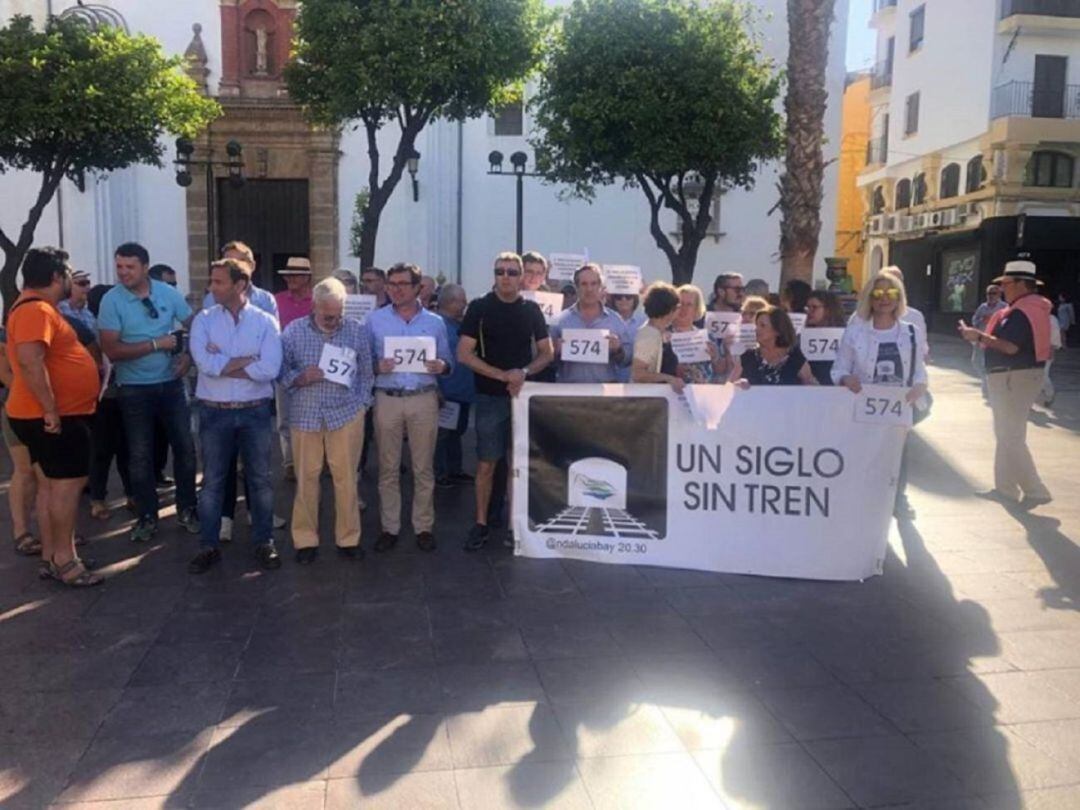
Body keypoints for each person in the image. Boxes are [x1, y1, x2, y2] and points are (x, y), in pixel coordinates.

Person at [5, 247, 102, 586]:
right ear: (56, 277)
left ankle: (53, 554)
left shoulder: (33, 307)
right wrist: (50, 409)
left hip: (46, 414)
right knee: (66, 488)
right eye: (67, 275)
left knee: (50, 487)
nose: (70, 281)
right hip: (54, 416)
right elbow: (31, 361)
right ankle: (65, 560)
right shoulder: (35, 310)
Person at [98, 242, 198, 543]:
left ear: (144, 267)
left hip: (170, 384)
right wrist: (157, 344)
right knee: (139, 455)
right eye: (119, 267)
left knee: (185, 448)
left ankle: (187, 510)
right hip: (134, 389)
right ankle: (146, 516)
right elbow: (111, 349)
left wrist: (188, 355)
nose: (123, 272)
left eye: (129, 267)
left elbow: (197, 325)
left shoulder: (167, 293)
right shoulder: (111, 301)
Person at [188, 259, 283, 574]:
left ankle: (264, 541)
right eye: (211, 281)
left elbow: (269, 369)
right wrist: (246, 361)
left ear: (240, 285)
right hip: (214, 412)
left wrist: (223, 360)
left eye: (218, 282)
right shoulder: (203, 320)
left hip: (255, 411)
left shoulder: (266, 322)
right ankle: (208, 545)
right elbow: (205, 365)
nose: (212, 287)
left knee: (260, 480)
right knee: (213, 482)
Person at [458, 252, 553, 550]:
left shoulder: (531, 310)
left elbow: (546, 352)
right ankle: (481, 523)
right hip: (489, 397)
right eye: (501, 271)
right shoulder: (479, 308)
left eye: (512, 272)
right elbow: (464, 353)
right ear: (494, 274)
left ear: (522, 275)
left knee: (516, 465)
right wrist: (502, 376)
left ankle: (514, 524)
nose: (506, 277)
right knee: (487, 463)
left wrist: (522, 373)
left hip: (522, 397)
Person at [281, 277, 374, 563]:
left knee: (346, 479)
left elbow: (366, 373)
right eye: (327, 315)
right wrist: (298, 377)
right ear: (315, 306)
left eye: (338, 314)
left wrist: (362, 406)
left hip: (345, 414)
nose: (333, 320)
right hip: (306, 415)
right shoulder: (293, 332)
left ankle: (348, 539)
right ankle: (305, 540)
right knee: (306, 478)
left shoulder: (356, 332)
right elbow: (279, 371)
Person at [367, 263, 453, 553]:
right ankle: (390, 527)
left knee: (423, 467)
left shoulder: (435, 322)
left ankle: (423, 526)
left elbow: (447, 361)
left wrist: (442, 366)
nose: (396, 289)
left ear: (418, 288)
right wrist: (374, 366)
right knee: (388, 468)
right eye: (391, 284)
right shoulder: (374, 321)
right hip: (387, 398)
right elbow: (361, 362)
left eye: (402, 284)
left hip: (423, 397)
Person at [834, 269, 929, 520]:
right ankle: (862, 500)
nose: (884, 298)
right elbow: (839, 368)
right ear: (869, 297)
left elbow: (919, 369)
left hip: (899, 406)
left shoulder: (911, 332)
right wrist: (846, 378)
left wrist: (921, 385)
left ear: (899, 298)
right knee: (865, 455)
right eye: (878, 293)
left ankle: (898, 500)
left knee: (898, 456)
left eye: (891, 293)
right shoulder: (855, 331)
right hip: (863, 407)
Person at [958, 259, 1053, 508]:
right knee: (1007, 435)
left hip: (1014, 376)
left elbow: (1010, 346)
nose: (1002, 289)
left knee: (1009, 437)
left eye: (1006, 284)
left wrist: (978, 336)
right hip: (1015, 376)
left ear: (1022, 284)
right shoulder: (1029, 308)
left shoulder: (1022, 311)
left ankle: (1035, 489)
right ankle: (1005, 489)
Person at [206, 242, 285, 540]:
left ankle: (258, 515)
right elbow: (206, 353)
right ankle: (224, 517)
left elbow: (270, 356)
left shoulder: (266, 301)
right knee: (221, 466)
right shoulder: (209, 304)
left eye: (238, 261)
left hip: (254, 400)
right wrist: (248, 357)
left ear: (249, 268)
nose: (232, 264)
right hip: (219, 400)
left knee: (258, 467)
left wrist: (224, 359)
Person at [85, 283, 132, 519]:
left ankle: (131, 493)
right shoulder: (95, 329)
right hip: (105, 396)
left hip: (125, 392)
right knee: (103, 449)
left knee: (126, 448)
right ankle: (98, 498)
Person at [0, 325, 47, 558]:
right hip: (18, 409)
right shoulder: (7, 334)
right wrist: (39, 393)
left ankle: (52, 533)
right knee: (25, 471)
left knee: (47, 474)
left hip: (45, 409)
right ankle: (22, 532)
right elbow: (6, 375)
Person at [549, 264, 632, 384]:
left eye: (594, 284)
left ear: (600, 286)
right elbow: (548, 362)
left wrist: (618, 350)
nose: (589, 289)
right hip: (569, 392)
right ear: (576, 287)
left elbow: (627, 361)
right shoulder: (560, 320)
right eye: (584, 284)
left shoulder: (615, 320)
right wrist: (556, 351)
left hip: (604, 393)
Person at [274, 256, 313, 480]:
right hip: (283, 364)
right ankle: (290, 461)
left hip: (310, 365)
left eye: (296, 275)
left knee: (313, 414)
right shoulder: (276, 300)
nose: (290, 279)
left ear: (307, 278)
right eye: (288, 275)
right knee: (285, 416)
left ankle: (314, 459)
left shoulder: (317, 301)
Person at [434, 283, 475, 487]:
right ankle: (440, 473)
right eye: (462, 300)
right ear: (450, 302)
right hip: (446, 391)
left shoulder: (461, 325)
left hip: (462, 392)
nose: (465, 304)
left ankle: (454, 470)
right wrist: (437, 389)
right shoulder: (437, 325)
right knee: (442, 435)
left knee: (457, 433)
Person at [672, 284, 735, 384]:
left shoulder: (707, 337)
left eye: (689, 305)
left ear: (696, 308)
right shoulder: (664, 334)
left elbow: (720, 371)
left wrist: (714, 357)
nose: (684, 308)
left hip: (703, 392)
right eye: (680, 304)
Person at [741, 306, 817, 386]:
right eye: (756, 325)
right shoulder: (748, 357)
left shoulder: (794, 357)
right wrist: (738, 384)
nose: (756, 329)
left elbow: (811, 386)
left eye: (762, 325)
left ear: (778, 330)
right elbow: (730, 385)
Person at [631, 282, 683, 392]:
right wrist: (669, 379)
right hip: (649, 401)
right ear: (670, 310)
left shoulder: (661, 333)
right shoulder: (649, 335)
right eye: (677, 307)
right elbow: (638, 374)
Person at [804, 289, 845, 385]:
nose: (809, 312)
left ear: (828, 310)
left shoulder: (846, 335)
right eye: (807, 307)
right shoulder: (802, 337)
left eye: (814, 307)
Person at [971, 284, 1006, 398]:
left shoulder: (1004, 307)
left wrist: (994, 321)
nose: (990, 296)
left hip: (994, 340)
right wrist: (982, 319)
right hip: (980, 338)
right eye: (988, 293)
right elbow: (974, 320)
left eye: (993, 293)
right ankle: (985, 381)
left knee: (991, 364)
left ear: (999, 294)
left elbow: (1008, 323)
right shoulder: (983, 307)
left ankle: (988, 388)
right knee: (976, 362)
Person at [58, 269, 96, 333]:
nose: (88, 287)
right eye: (82, 283)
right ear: (69, 286)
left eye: (88, 283)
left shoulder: (87, 313)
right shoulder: (60, 309)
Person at [1042, 310, 1062, 407]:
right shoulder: (1032, 316)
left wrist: (1052, 349)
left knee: (1043, 374)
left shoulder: (1051, 319)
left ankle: (1050, 394)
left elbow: (1055, 335)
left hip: (1047, 349)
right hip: (1032, 350)